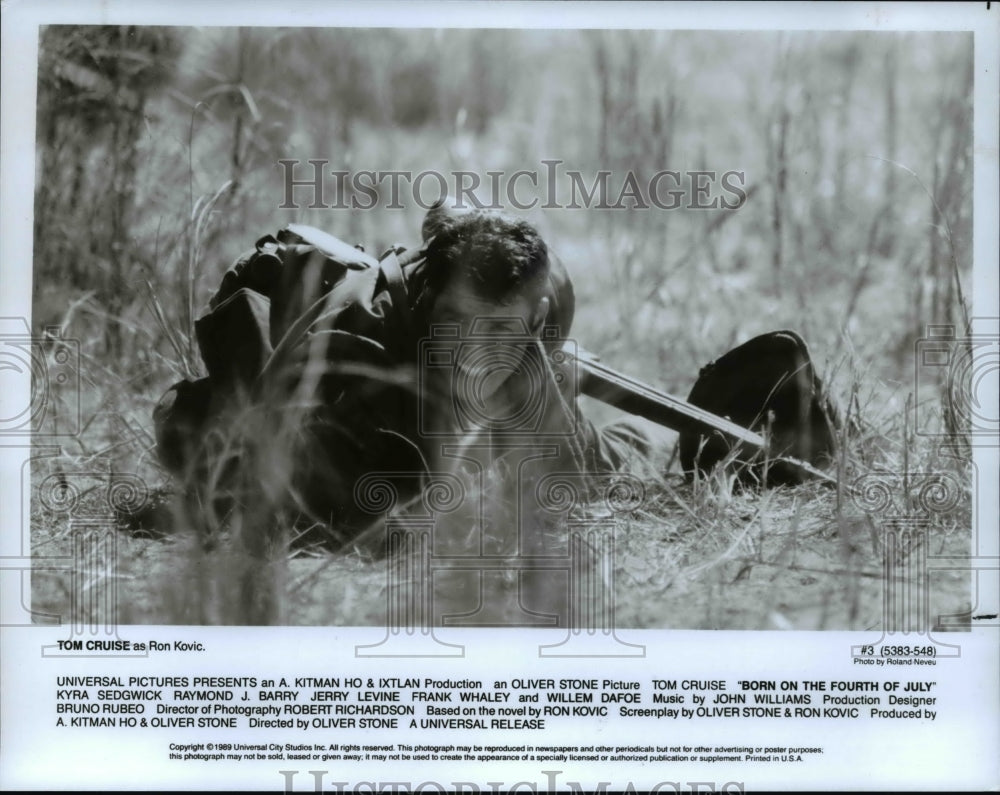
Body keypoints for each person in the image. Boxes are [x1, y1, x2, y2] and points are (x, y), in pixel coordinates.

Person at [153, 204, 667, 549]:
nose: (474, 351)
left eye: (497, 330)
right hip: (342, 420)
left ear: (536, 319)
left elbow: (584, 483)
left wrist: (541, 395)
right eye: (456, 322)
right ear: (427, 298)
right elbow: (341, 525)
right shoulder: (353, 358)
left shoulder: (529, 327)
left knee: (621, 457)